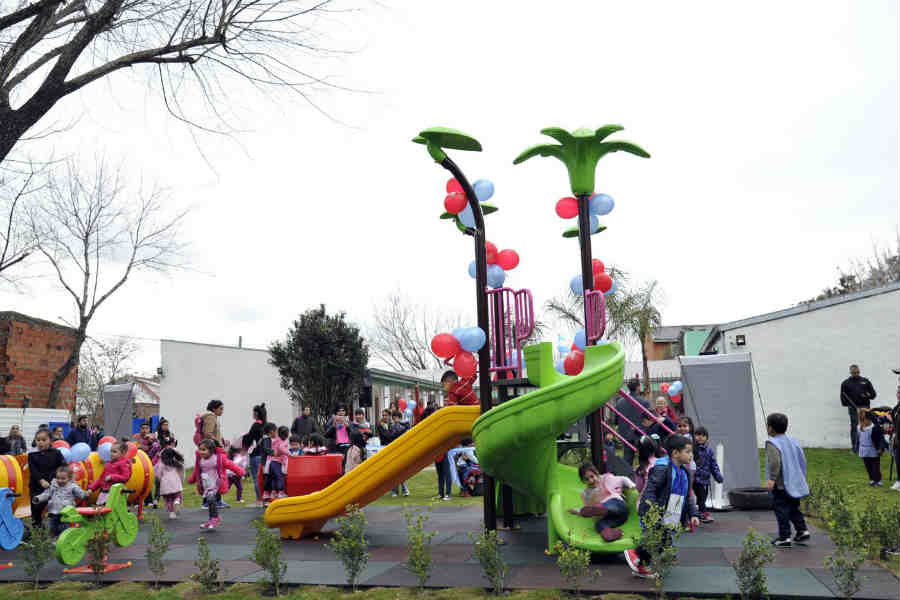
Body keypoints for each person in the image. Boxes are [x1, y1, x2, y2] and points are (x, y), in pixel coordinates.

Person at [624, 435, 700, 578]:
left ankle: (648, 559)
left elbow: (688, 495)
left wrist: (694, 514)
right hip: (656, 510)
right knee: (654, 538)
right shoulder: (662, 468)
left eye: (692, 452)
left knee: (663, 539)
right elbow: (650, 490)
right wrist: (651, 510)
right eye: (688, 451)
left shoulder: (684, 472)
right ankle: (638, 558)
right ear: (675, 453)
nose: (691, 455)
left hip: (672, 511)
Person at [765, 412, 810, 548]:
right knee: (793, 507)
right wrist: (801, 476)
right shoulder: (794, 441)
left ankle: (784, 537)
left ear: (770, 428)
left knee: (781, 509)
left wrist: (772, 479)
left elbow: (775, 462)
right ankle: (802, 530)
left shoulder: (772, 443)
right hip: (794, 481)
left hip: (781, 484)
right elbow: (802, 459)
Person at [568, 462, 636, 542]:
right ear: (583, 481)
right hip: (617, 519)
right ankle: (610, 534)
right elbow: (587, 510)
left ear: (596, 473)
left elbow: (623, 479)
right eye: (587, 479)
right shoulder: (586, 494)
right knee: (599, 525)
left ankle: (601, 508)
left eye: (592, 476)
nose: (591, 480)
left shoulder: (606, 479)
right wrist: (577, 511)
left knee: (610, 505)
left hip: (619, 507)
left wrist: (632, 486)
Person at [189, 439, 244, 530]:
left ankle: (215, 518)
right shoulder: (200, 460)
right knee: (209, 502)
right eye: (200, 449)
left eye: (204, 450)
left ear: (211, 450)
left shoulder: (218, 458)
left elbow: (230, 464)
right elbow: (197, 470)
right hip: (206, 484)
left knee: (211, 499)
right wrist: (192, 479)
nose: (201, 452)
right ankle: (211, 519)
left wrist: (240, 472)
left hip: (216, 483)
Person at [31, 465, 88, 537]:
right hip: (53, 513)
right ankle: (54, 540)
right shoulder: (53, 485)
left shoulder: (72, 486)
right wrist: (38, 498)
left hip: (66, 514)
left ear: (69, 478)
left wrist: (85, 494)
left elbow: (80, 494)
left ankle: (65, 541)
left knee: (65, 531)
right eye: (58, 478)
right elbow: (47, 494)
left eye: (63, 479)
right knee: (53, 529)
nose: (60, 480)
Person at [27, 428, 66, 530]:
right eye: (38, 440)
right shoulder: (32, 454)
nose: (40, 442)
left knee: (55, 507)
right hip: (36, 486)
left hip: (53, 486)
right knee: (36, 508)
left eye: (44, 440)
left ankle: (56, 528)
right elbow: (33, 470)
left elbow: (63, 466)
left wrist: (58, 478)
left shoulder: (56, 453)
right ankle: (37, 528)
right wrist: (41, 480)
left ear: (50, 441)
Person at [840, 364, 877, 453]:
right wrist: (850, 406)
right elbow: (843, 398)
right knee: (855, 427)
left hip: (865, 408)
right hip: (853, 409)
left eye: (857, 372)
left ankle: (867, 447)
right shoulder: (845, 383)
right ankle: (855, 448)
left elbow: (873, 395)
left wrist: (868, 395)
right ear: (850, 372)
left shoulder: (865, 381)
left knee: (867, 427)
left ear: (859, 372)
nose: (856, 374)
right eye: (854, 373)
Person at [616, 379, 652, 466]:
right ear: (638, 387)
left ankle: (627, 477)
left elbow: (616, 420)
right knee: (644, 458)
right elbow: (649, 419)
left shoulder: (620, 402)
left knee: (627, 459)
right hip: (641, 433)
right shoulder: (645, 402)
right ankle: (643, 476)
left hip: (625, 434)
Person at [692, 426, 723, 523]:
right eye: (698, 435)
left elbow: (713, 464)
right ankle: (702, 513)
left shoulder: (709, 451)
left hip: (704, 479)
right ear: (694, 436)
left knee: (703, 497)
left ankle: (699, 512)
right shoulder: (692, 449)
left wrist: (718, 476)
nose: (700, 437)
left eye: (703, 435)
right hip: (694, 478)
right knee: (700, 497)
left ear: (707, 438)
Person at [88, 440, 133, 505]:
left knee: (110, 509)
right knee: (100, 508)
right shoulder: (109, 464)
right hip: (104, 491)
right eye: (111, 451)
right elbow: (101, 479)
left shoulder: (124, 463)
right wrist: (91, 489)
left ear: (123, 453)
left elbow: (126, 477)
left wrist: (112, 477)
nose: (111, 453)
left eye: (114, 452)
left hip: (115, 493)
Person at [241, 403, 267, 506]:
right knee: (264, 477)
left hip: (255, 454)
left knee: (256, 478)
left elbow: (248, 438)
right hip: (265, 455)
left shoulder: (256, 425)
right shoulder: (266, 425)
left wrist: (243, 442)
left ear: (256, 413)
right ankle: (265, 497)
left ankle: (259, 499)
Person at [857, 408, 887, 487]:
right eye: (862, 420)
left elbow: (880, 439)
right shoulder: (859, 428)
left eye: (866, 420)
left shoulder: (874, 428)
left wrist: (880, 448)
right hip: (864, 450)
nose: (865, 422)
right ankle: (872, 480)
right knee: (868, 467)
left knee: (875, 467)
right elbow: (858, 439)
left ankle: (878, 480)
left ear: (869, 419)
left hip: (873, 450)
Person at [156, 443, 185, 519]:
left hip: (165, 483)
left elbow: (158, 474)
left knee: (168, 499)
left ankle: (172, 513)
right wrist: (181, 481)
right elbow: (182, 474)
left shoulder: (161, 464)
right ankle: (177, 501)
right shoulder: (176, 464)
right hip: (175, 482)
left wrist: (160, 480)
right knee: (177, 495)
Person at [262, 424, 289, 502]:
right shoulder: (282, 441)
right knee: (279, 476)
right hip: (277, 461)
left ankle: (270, 492)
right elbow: (281, 448)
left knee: (271, 477)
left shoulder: (275, 439)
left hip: (270, 461)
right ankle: (280, 492)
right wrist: (289, 454)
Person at [387, 411, 410, 497]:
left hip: (402, 450)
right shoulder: (392, 426)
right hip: (394, 450)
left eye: (397, 417)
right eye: (394, 417)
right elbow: (392, 435)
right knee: (394, 472)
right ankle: (395, 490)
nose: (395, 419)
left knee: (401, 471)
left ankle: (404, 489)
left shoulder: (404, 425)